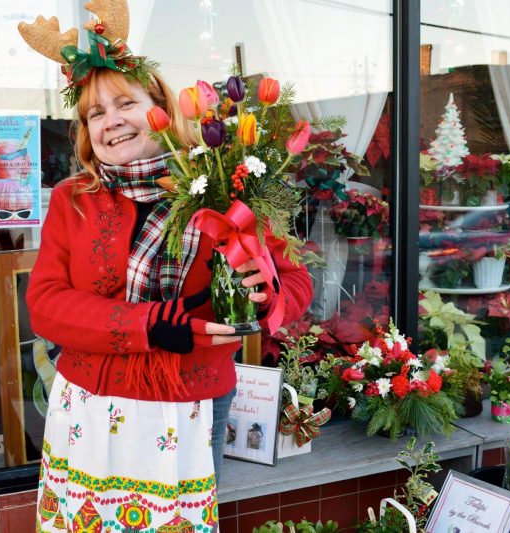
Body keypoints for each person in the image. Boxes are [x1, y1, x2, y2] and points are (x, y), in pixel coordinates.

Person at [24, 28, 313, 533]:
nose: (110, 121)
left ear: (158, 106)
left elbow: (293, 279)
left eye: (123, 104)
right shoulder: (74, 199)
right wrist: (151, 325)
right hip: (92, 402)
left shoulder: (222, 182)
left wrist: (262, 292)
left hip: (194, 400)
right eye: (95, 114)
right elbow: (46, 305)